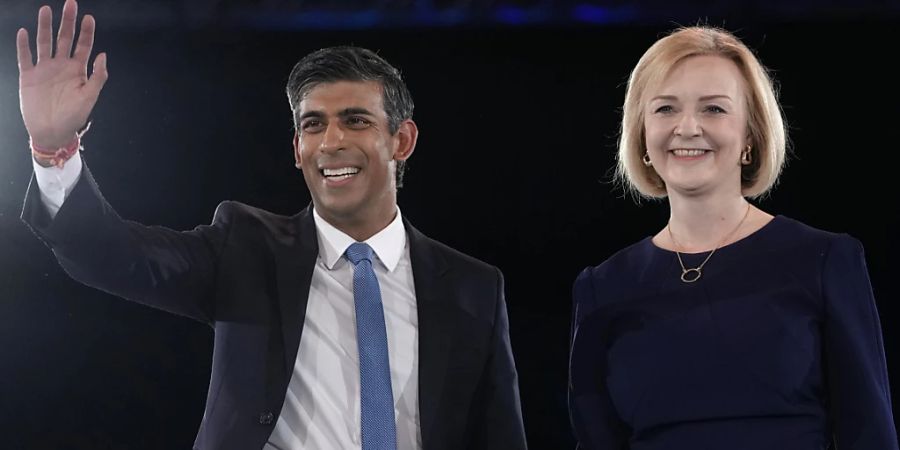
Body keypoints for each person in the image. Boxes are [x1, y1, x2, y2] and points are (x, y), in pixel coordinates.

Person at [16, 1, 528, 449]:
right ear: (298, 150)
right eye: (313, 124)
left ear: (402, 141)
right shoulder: (245, 248)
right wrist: (53, 152)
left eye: (355, 120)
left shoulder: (473, 287)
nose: (331, 142)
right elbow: (113, 254)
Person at [568, 26, 897, 449]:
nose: (687, 127)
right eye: (665, 108)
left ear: (750, 137)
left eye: (714, 110)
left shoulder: (823, 259)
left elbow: (869, 434)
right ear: (642, 135)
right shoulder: (602, 287)